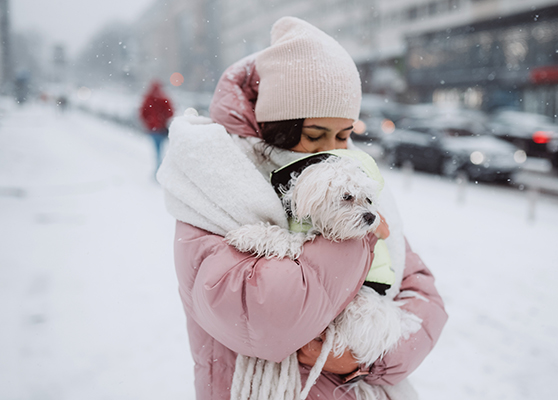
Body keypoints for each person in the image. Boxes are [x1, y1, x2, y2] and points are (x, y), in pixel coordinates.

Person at [157, 17, 447, 400]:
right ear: (279, 125)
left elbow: (422, 295)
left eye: (344, 135)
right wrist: (355, 239)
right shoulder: (215, 183)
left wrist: (364, 359)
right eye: (315, 135)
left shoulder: (353, 178)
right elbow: (264, 317)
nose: (332, 149)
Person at [139, 80, 174, 173]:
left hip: (153, 130)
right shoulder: (163, 99)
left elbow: (142, 113)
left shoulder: (148, 99)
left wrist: (149, 122)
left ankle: (159, 169)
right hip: (161, 129)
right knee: (163, 149)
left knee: (157, 150)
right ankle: (161, 169)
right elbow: (171, 112)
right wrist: (163, 118)